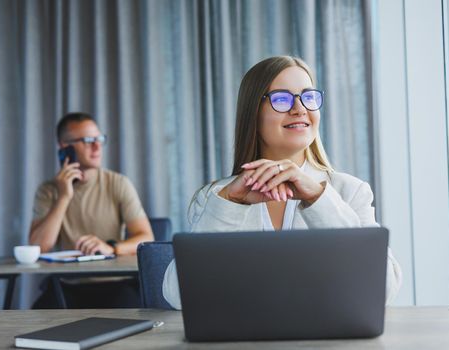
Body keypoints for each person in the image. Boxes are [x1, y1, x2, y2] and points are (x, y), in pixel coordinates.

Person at [162, 56, 402, 309]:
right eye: (281, 99)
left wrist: (319, 198)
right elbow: (179, 296)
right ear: (253, 113)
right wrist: (229, 204)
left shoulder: (350, 191)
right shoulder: (218, 196)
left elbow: (382, 289)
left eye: (308, 97)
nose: (299, 109)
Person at [30, 112, 154, 308]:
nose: (97, 146)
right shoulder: (49, 190)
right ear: (65, 147)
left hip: (116, 283)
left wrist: (111, 247)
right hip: (68, 286)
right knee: (36, 317)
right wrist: (64, 197)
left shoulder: (118, 183)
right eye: (88, 140)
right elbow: (37, 247)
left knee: (136, 317)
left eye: (99, 139)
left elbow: (146, 238)